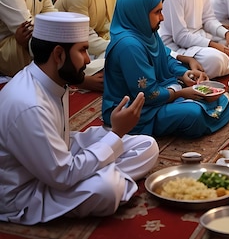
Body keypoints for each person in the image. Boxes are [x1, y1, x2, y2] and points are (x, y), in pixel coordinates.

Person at [0, 11, 158, 225]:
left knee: (147, 146)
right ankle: (105, 177)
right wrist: (117, 133)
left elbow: (60, 145)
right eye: (83, 50)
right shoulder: (29, 105)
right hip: (28, 190)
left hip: (56, 158)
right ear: (58, 55)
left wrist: (112, 137)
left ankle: (103, 173)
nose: (87, 59)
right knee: (107, 190)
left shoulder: (54, 80)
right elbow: (62, 175)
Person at [102, 0, 229, 138]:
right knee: (193, 114)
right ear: (139, 12)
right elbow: (148, 94)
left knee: (218, 97)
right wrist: (181, 93)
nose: (162, 18)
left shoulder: (146, 31)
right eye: (157, 12)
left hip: (162, 93)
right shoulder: (129, 46)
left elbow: (166, 58)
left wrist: (185, 74)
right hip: (136, 110)